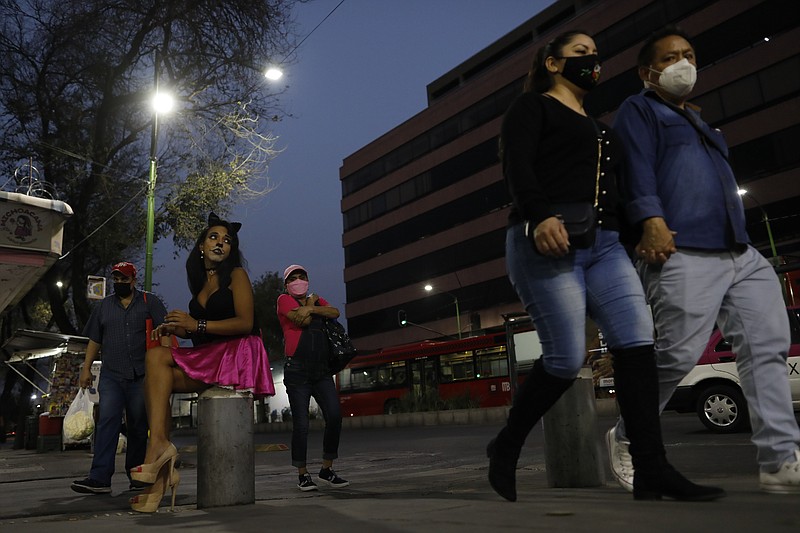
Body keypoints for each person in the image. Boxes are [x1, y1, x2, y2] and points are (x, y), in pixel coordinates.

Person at [487, 29, 725, 503]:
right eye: (580, 53)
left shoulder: (603, 130)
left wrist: (648, 236)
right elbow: (518, 166)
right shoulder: (531, 108)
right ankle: (506, 443)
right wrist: (539, 214)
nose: (592, 62)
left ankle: (651, 467)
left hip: (607, 247)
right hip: (545, 242)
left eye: (596, 55)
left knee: (638, 346)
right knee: (566, 357)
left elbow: (614, 199)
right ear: (553, 64)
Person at [608, 26, 800, 494]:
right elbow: (635, 166)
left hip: (740, 250)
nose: (683, 63)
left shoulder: (699, 122)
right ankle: (629, 433)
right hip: (681, 248)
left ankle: (780, 460)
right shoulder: (640, 110)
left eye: (689, 54)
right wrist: (650, 220)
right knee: (677, 355)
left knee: (766, 348)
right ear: (646, 71)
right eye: (671, 56)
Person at [128, 213, 275, 512]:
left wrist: (196, 325)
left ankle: (157, 453)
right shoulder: (199, 284)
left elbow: (245, 323)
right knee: (156, 368)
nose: (221, 243)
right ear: (200, 246)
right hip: (212, 356)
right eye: (214, 237)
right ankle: (159, 467)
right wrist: (177, 327)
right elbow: (199, 328)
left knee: (157, 360)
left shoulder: (237, 275)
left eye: (227, 240)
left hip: (237, 354)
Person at [71, 262, 168, 494]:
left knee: (137, 425)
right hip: (111, 375)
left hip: (141, 375)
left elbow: (166, 330)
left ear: (134, 280)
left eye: (125, 279)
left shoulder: (149, 303)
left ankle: (136, 475)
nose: (120, 283)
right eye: (117, 279)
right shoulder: (104, 307)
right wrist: (86, 369)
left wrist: (165, 365)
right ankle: (100, 477)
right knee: (107, 423)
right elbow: (94, 339)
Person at [277, 264, 349, 492]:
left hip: (321, 370)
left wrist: (311, 308)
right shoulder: (284, 300)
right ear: (286, 284)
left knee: (335, 416)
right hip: (297, 370)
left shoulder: (317, 302)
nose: (298, 281)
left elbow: (335, 312)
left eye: (302, 277)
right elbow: (303, 321)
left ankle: (326, 469)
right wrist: (311, 305)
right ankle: (302, 474)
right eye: (293, 278)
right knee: (301, 424)